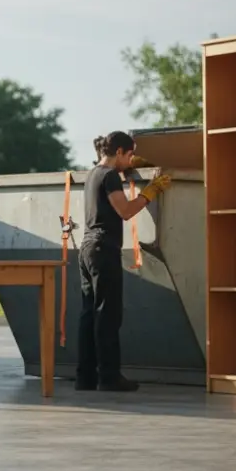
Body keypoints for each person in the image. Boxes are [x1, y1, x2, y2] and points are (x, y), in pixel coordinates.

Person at [76, 131, 171, 392]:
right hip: (103, 248)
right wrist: (149, 193)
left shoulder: (93, 174)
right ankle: (109, 377)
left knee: (89, 314)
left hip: (87, 247)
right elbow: (125, 211)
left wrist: (133, 165)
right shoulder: (108, 176)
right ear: (118, 152)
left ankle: (85, 377)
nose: (130, 161)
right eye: (129, 155)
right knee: (108, 314)